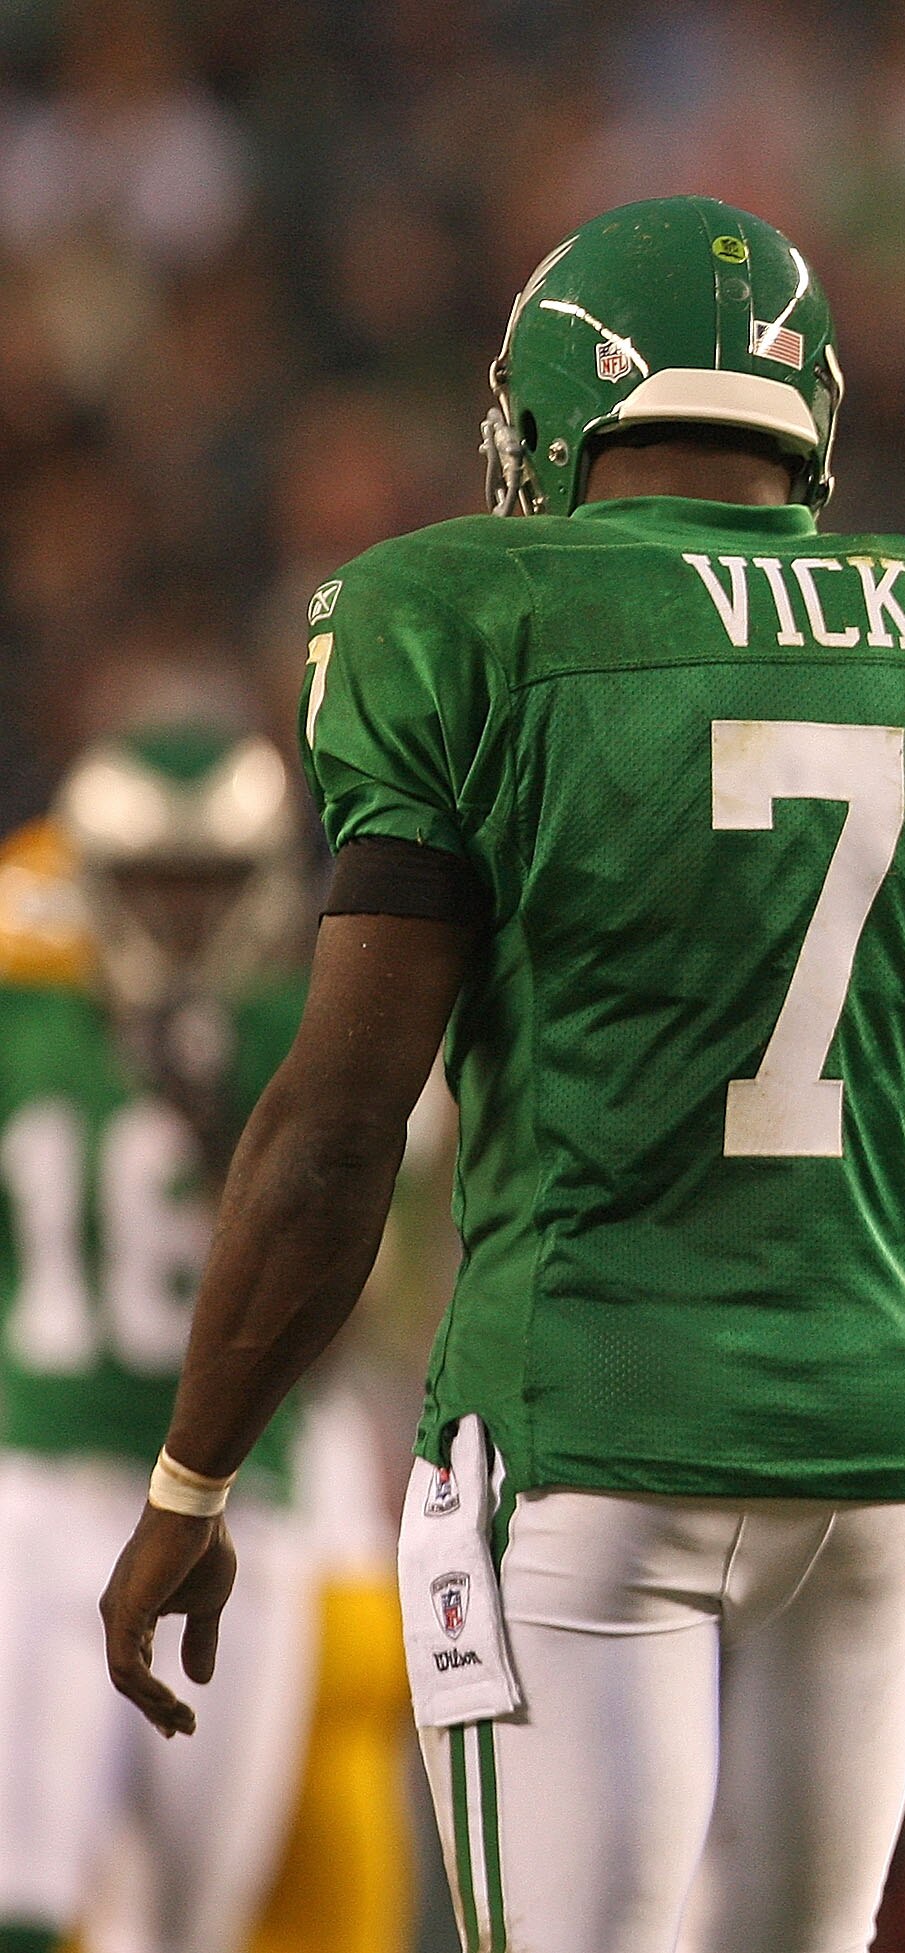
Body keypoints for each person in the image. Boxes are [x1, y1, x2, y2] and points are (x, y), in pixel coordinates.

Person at [101, 195, 905, 1953]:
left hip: (582, 1438)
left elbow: (337, 1127)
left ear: (565, 410)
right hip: (874, 1447)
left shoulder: (463, 611)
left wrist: (192, 1480)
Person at [0, 726, 323, 1953]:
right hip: (44, 1483)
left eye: (211, 881)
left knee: (200, 1925)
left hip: (248, 1514)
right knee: (19, 1892)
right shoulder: (22, 1011)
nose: (184, 914)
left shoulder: (314, 1025)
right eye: (154, 881)